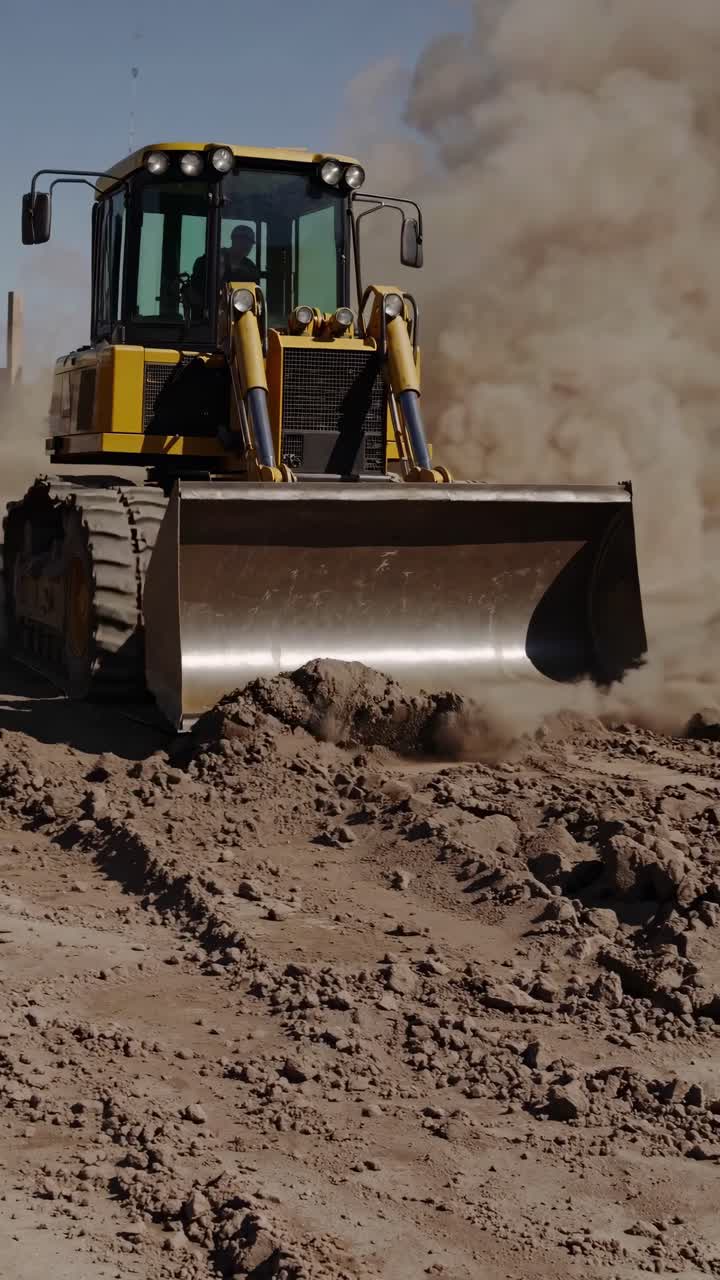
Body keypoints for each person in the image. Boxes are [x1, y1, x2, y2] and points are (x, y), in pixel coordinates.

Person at [189, 224, 260, 313]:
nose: (246, 245)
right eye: (242, 241)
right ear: (233, 240)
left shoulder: (251, 268)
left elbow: (254, 296)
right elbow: (195, 292)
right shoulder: (209, 260)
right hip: (207, 317)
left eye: (249, 242)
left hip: (238, 317)